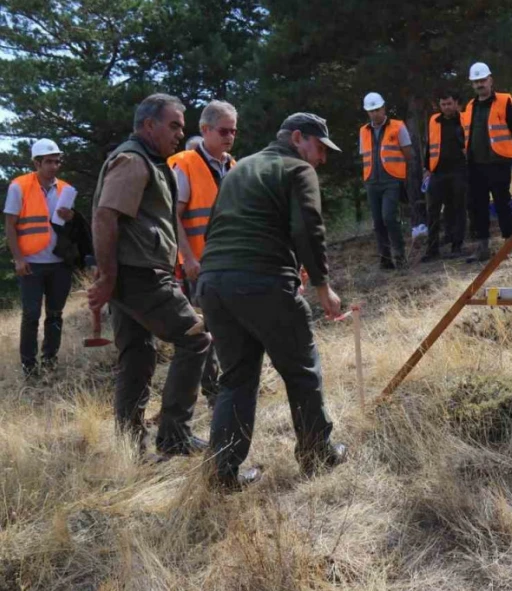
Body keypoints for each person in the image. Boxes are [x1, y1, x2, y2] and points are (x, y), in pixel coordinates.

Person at [198, 113, 347, 491]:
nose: (322, 159)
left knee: (236, 380)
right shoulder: (297, 169)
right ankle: (317, 453)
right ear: (298, 138)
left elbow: (220, 225)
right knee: (301, 370)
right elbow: (307, 228)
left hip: (215, 284)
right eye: (319, 147)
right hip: (260, 281)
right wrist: (323, 286)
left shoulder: (239, 168)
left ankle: (222, 474)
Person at [88, 93, 210, 457]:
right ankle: (174, 436)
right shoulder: (133, 160)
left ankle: (131, 447)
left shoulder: (151, 160)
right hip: (139, 275)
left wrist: (112, 278)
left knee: (138, 356)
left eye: (181, 128)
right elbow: (105, 217)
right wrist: (108, 276)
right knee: (197, 339)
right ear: (148, 125)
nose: (179, 134)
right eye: (173, 125)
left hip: (133, 274)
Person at [168, 100, 236, 409]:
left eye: (234, 131)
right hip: (199, 266)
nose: (230, 137)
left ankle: (229, 384)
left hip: (230, 264)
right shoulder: (184, 164)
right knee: (204, 329)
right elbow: (174, 216)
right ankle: (212, 392)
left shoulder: (233, 166)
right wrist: (188, 259)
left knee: (230, 327)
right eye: (224, 130)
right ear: (205, 129)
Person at [5, 139, 76, 378]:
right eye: (48, 162)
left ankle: (49, 361)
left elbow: (71, 228)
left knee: (55, 314)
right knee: (31, 315)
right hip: (31, 264)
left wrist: (71, 216)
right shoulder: (19, 186)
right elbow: (10, 226)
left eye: (57, 161)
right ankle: (29, 366)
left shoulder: (66, 189)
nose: (54, 166)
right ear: (36, 162)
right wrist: (18, 258)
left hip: (59, 265)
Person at [462, 62, 512, 262]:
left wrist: (506, 152)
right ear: (472, 84)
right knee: (477, 206)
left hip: (498, 163)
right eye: (476, 81)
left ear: (490, 80)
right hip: (476, 165)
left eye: (482, 80)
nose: (480, 84)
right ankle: (483, 247)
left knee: (502, 203)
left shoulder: (504, 101)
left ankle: (509, 245)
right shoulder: (470, 106)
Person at [359, 92, 415, 269]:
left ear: (384, 108)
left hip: (392, 180)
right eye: (371, 111)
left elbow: (408, 153)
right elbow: (365, 155)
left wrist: (401, 173)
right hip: (372, 181)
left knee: (389, 217)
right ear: (367, 112)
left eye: (377, 109)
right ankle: (385, 259)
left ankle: (399, 255)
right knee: (378, 222)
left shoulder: (398, 127)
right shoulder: (364, 131)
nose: (374, 113)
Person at [423, 92, 468, 261]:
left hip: (459, 170)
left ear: (456, 103)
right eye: (443, 104)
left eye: (449, 103)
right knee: (433, 210)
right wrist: (426, 168)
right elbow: (429, 145)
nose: (446, 107)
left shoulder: (464, 120)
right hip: (438, 171)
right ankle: (432, 249)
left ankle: (457, 245)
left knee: (458, 208)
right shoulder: (434, 121)